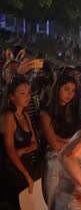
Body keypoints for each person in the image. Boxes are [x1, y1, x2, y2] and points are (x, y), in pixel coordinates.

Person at [40, 75, 81, 204]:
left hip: (73, 158)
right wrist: (73, 142)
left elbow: (80, 138)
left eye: (73, 91)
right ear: (57, 89)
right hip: (55, 159)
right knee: (53, 199)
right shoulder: (46, 113)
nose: (70, 94)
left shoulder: (74, 111)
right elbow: (54, 145)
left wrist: (66, 141)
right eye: (66, 89)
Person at [0, 77, 41, 209]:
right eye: (22, 93)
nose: (27, 96)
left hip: (26, 166)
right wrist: (26, 175)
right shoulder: (8, 116)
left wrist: (22, 151)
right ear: (11, 97)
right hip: (12, 172)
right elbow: (10, 150)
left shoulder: (25, 115)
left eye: (28, 92)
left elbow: (35, 143)